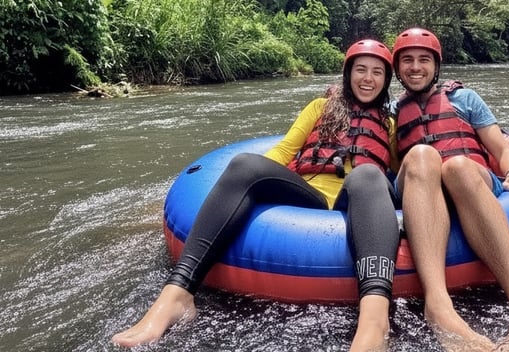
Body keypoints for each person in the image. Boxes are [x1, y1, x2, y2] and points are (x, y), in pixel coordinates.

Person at [112, 39, 401, 351]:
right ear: (348, 74)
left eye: (377, 72)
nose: (368, 78)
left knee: (368, 174)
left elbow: (401, 177)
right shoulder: (320, 108)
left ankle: (375, 324)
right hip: (308, 198)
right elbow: (283, 151)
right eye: (360, 70)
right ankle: (177, 295)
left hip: (356, 202)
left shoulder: (390, 125)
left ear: (386, 80)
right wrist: (234, 185)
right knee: (245, 164)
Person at [391, 27, 509, 351]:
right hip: (421, 187)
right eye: (407, 60)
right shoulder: (392, 112)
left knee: (458, 166)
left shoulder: (464, 98)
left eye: (424, 59)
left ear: (436, 65)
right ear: (397, 69)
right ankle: (439, 307)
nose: (415, 67)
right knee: (422, 155)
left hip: (470, 179)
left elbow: (502, 148)